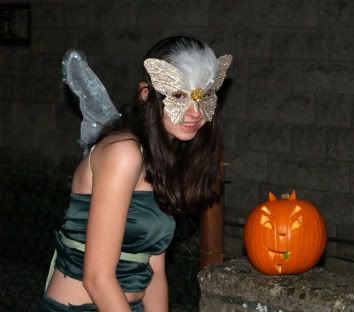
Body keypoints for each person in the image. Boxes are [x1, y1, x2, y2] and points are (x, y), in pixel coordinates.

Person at [40, 36, 232, 311]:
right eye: (178, 96)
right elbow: (97, 278)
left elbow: (154, 271)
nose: (194, 113)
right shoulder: (124, 153)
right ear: (146, 94)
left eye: (203, 97)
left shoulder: (164, 159)